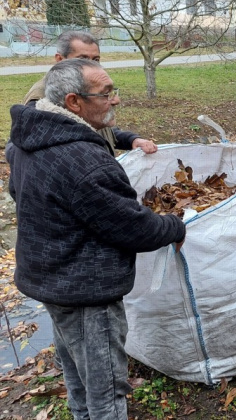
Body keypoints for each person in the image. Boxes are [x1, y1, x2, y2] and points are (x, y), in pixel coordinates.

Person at [7, 58, 186, 418]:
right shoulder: (84, 161)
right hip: (86, 291)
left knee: (77, 375)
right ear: (74, 102)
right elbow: (134, 227)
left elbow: (17, 193)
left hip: (49, 281)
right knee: (106, 391)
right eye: (106, 94)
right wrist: (175, 226)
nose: (115, 100)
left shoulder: (26, 142)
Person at [23, 30, 157, 155]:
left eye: (96, 60)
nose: (93, 65)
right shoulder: (41, 97)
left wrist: (131, 140)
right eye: (83, 59)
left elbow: (98, 128)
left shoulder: (91, 86)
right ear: (59, 59)